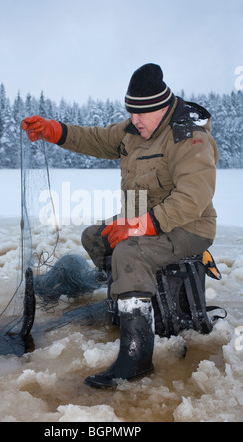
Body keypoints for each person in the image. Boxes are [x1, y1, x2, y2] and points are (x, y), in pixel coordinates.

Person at [21, 63, 219, 388]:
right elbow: (97, 139)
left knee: (128, 252)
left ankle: (137, 356)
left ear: (162, 107)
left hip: (188, 227)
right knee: (95, 238)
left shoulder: (188, 137)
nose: (134, 120)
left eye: (141, 114)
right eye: (130, 112)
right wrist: (54, 131)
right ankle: (126, 295)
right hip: (144, 218)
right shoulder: (134, 129)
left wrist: (141, 225)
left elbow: (192, 198)